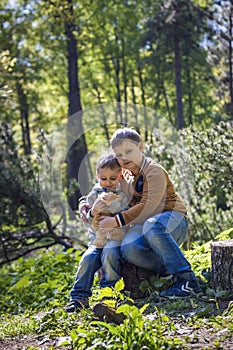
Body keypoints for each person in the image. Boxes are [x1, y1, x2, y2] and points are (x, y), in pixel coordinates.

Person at [96, 127, 201, 298]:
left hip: (172, 220)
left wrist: (116, 221)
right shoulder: (127, 176)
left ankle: (187, 280)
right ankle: (167, 270)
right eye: (119, 154)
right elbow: (102, 189)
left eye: (129, 151)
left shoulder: (154, 171)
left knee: (152, 226)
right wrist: (85, 204)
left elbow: (149, 206)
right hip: (144, 224)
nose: (124, 158)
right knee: (129, 248)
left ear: (140, 147)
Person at [65, 152, 129, 313]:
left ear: (120, 175)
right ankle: (79, 297)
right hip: (98, 238)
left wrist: (112, 205)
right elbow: (87, 216)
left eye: (112, 179)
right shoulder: (96, 192)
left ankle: (109, 294)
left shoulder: (125, 191)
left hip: (117, 237)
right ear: (97, 176)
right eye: (103, 179)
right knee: (88, 258)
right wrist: (93, 211)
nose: (108, 183)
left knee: (109, 255)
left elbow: (128, 212)